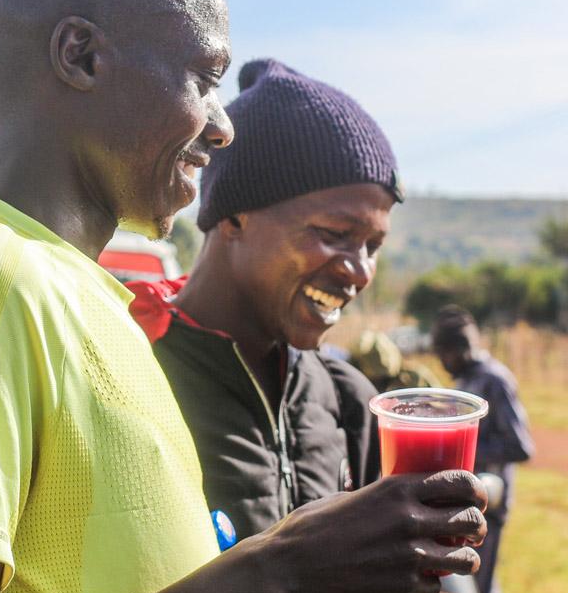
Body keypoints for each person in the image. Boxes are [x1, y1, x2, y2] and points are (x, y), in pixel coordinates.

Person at [0, 0, 487, 593]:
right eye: (203, 79)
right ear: (80, 56)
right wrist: (282, 568)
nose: (222, 128)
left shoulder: (94, 304)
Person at [129, 59, 394, 536]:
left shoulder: (348, 399)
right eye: (336, 233)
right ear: (234, 218)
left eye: (373, 245)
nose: (359, 270)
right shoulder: (129, 372)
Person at [432, 306, 534, 593]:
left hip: (491, 502)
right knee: (466, 582)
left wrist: (464, 451)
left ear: (462, 348)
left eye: (444, 353)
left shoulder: (494, 380)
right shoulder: (465, 380)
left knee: (479, 585)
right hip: (467, 503)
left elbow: (520, 446)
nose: (442, 361)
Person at [354, 330, 440, 393]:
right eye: (379, 376)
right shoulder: (359, 384)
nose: (382, 380)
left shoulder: (414, 376)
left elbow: (441, 401)